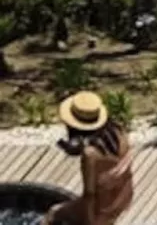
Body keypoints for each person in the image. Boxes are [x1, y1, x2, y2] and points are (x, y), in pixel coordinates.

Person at [45, 92, 134, 225]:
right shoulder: (117, 130)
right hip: (123, 196)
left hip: (104, 206)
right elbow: (111, 160)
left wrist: (90, 220)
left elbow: (89, 195)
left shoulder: (90, 154)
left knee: (53, 214)